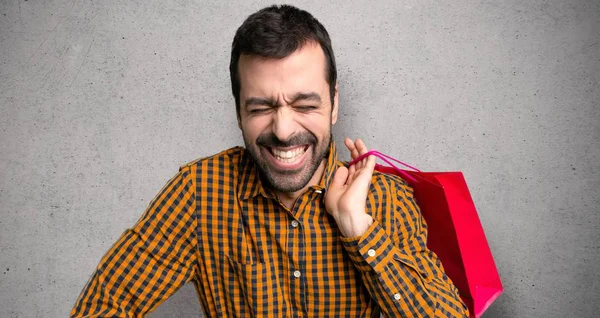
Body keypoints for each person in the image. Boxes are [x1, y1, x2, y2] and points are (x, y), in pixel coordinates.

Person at [71, 4, 469, 317]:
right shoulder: (198, 192)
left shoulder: (385, 199)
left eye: (304, 104)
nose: (282, 130)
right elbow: (104, 305)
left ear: (334, 105)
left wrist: (359, 231)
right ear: (238, 111)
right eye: (261, 107)